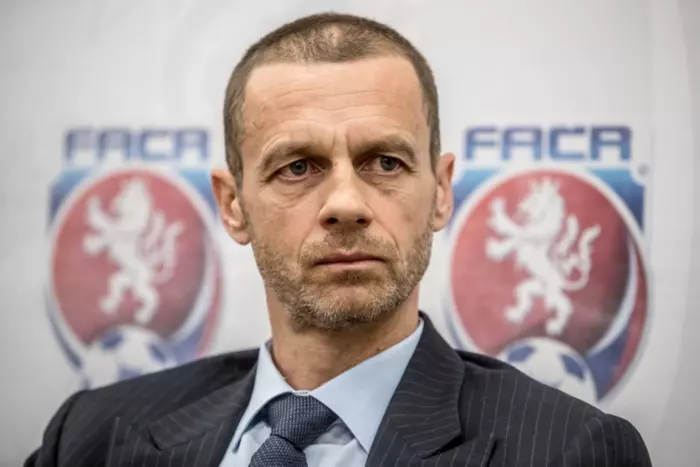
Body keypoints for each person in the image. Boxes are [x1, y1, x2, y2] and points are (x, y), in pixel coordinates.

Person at [25, 12, 652, 467]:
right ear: (233, 205)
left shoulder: (571, 450)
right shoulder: (91, 438)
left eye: (385, 162)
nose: (347, 204)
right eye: (298, 167)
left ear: (440, 192)